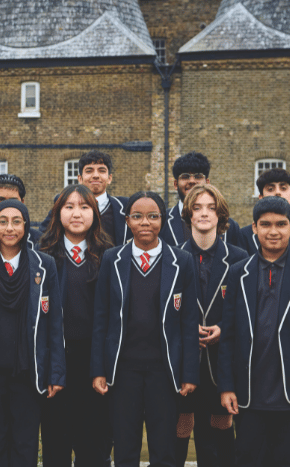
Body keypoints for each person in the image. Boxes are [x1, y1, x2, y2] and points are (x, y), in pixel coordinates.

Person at [218, 197, 290, 467]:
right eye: (265, 224)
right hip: (249, 391)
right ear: (254, 228)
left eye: (281, 224)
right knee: (247, 458)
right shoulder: (238, 272)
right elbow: (228, 335)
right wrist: (226, 387)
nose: (273, 231)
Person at [91, 191, 199, 467]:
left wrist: (189, 373)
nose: (145, 222)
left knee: (164, 449)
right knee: (125, 448)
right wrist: (99, 370)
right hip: (123, 370)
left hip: (164, 370)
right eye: (137, 216)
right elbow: (101, 318)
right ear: (127, 220)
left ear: (162, 220)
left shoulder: (181, 261)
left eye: (153, 216)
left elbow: (189, 322)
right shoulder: (112, 259)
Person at [0, 200, 65, 467]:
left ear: (26, 226)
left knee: (24, 444)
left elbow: (54, 323)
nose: (10, 228)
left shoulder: (44, 265)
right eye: (3, 221)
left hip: (28, 373)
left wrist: (55, 373)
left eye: (16, 221)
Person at [38, 184, 114, 467]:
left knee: (94, 445)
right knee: (56, 443)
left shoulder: (109, 256)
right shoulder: (43, 256)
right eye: (69, 207)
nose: (77, 214)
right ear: (58, 213)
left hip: (95, 362)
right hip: (56, 361)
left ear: (95, 213)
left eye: (84, 207)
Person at [174, 184, 247, 467]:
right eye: (197, 207)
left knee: (220, 431)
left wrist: (223, 328)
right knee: (181, 426)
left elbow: (246, 310)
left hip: (222, 361)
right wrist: (186, 329)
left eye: (211, 208)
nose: (204, 213)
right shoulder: (173, 256)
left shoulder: (239, 258)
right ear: (189, 214)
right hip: (184, 361)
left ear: (220, 215)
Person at [39, 150, 129, 246]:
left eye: (101, 171)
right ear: (80, 179)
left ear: (109, 178)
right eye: (89, 171)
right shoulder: (62, 202)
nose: (95, 175)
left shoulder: (126, 206)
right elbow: (42, 236)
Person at [159, 152, 241, 248]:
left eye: (198, 176)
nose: (192, 181)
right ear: (176, 184)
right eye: (185, 177)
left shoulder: (230, 226)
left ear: (207, 183)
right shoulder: (162, 222)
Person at [237, 168, 290, 256]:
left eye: (283, 188)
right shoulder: (244, 235)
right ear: (261, 197)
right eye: (270, 189)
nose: (278, 192)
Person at [0, 174, 43, 250]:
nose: (7, 205)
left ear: (22, 203)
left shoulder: (40, 240)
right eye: (1, 200)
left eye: (13, 200)